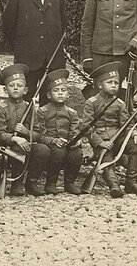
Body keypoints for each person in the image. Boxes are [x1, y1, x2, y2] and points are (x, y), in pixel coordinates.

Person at [1, 0, 67, 101]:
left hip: (52, 60)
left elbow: (63, 24)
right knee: (24, 100)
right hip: (27, 60)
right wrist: (23, 46)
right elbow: (8, 26)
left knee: (50, 102)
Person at [85, 61, 137, 197]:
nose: (114, 85)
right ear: (100, 85)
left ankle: (131, 182)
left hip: (118, 137)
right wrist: (100, 142)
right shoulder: (91, 103)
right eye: (110, 82)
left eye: (116, 83)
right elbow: (87, 127)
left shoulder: (120, 104)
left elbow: (126, 124)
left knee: (136, 147)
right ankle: (114, 186)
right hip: (101, 139)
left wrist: (135, 135)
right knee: (106, 158)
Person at [0, 61, 50, 196]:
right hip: (8, 147)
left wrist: (26, 132)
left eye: (19, 86)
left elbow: (38, 134)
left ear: (25, 90)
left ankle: (31, 183)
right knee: (19, 149)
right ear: (5, 90)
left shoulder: (29, 107)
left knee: (43, 150)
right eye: (11, 86)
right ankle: (16, 185)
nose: (15, 88)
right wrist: (15, 138)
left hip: (27, 142)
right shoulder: (1, 108)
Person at [35, 67, 84, 195]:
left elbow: (75, 131)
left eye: (63, 90)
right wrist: (53, 141)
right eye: (56, 91)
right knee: (59, 152)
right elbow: (40, 134)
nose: (60, 93)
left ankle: (69, 183)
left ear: (68, 94)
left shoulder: (72, 113)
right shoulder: (42, 111)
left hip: (67, 144)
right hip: (50, 145)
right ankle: (51, 183)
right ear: (49, 95)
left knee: (77, 154)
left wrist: (75, 142)